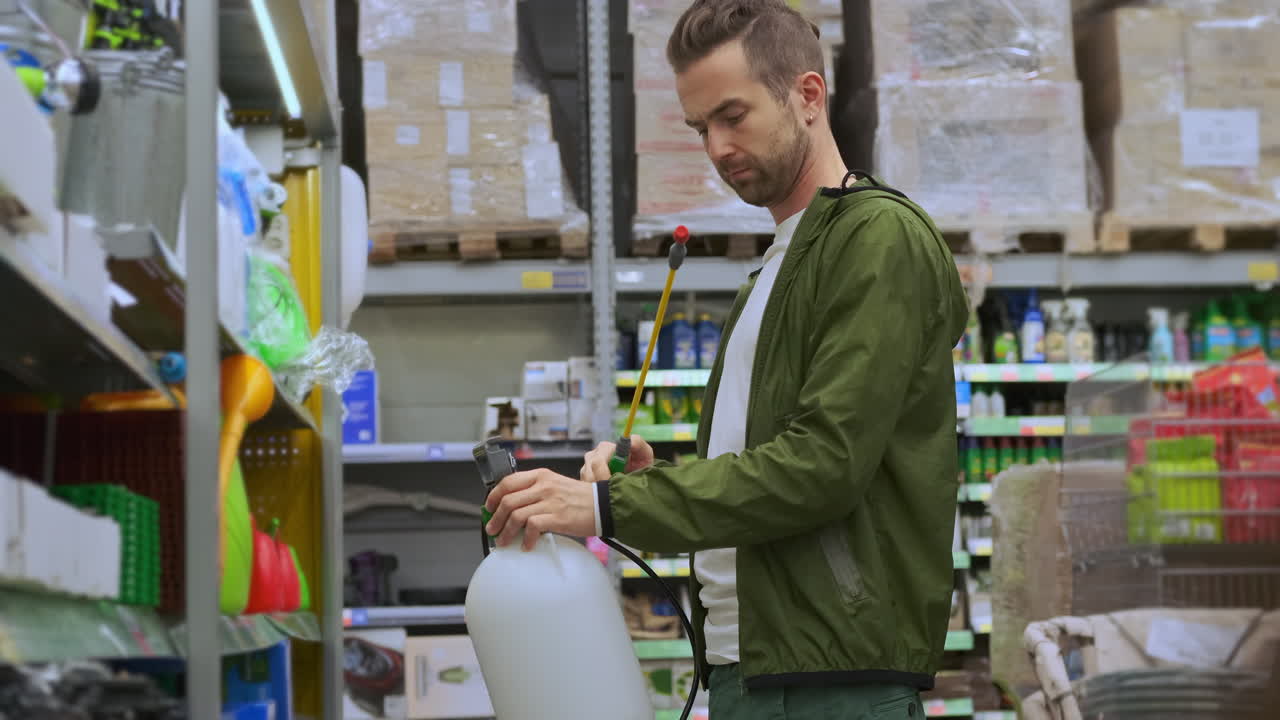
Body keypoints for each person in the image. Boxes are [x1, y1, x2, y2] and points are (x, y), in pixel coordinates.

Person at [481, 0, 968, 716]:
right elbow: (772, 467)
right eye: (699, 127)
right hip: (752, 669)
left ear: (807, 96)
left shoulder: (875, 238)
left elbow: (824, 466)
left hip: (834, 682)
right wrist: (665, 482)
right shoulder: (773, 269)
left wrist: (610, 505)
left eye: (732, 117)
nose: (715, 147)